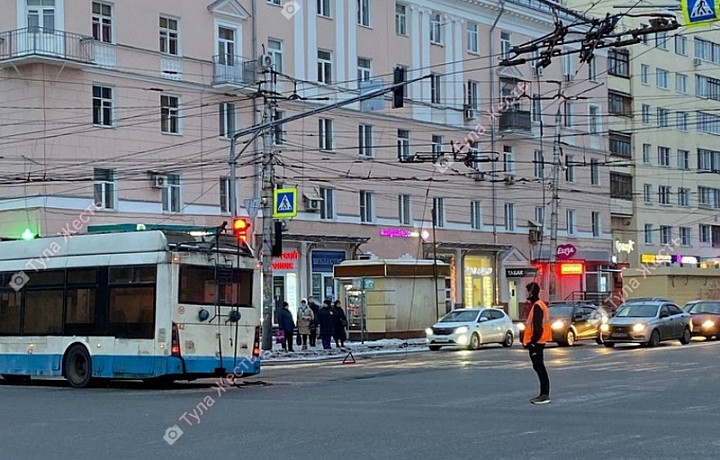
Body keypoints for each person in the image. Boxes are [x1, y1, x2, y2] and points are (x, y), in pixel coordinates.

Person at [522, 282, 552, 405]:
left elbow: (538, 327)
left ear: (531, 292)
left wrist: (533, 342)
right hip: (538, 342)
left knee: (540, 368)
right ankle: (543, 394)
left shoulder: (538, 306)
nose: (525, 294)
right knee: (538, 367)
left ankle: (544, 395)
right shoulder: (538, 305)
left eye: (527, 291)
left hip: (537, 343)